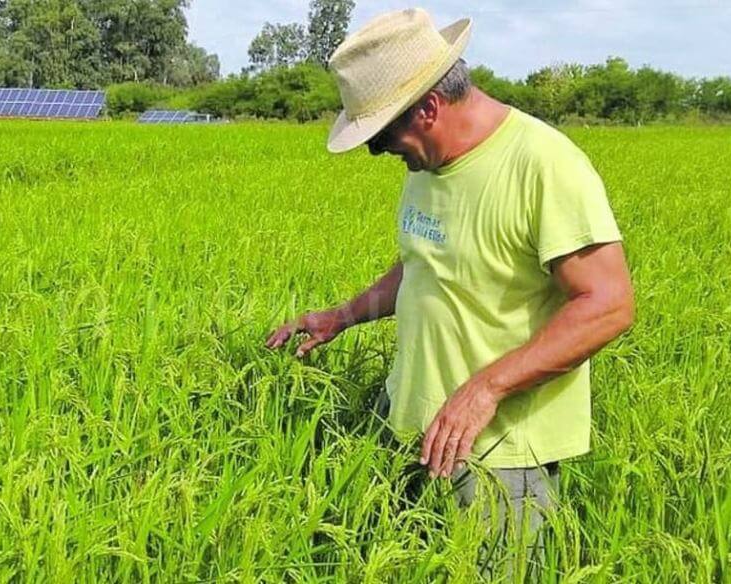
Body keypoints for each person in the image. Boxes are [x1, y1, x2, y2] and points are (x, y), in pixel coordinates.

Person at [265, 7, 635, 575]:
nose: (379, 153)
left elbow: (608, 305)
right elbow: (424, 263)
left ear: (430, 108)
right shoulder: (427, 167)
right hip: (413, 425)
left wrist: (485, 389)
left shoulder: (543, 165)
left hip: (501, 452)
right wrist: (341, 316)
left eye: (382, 137)